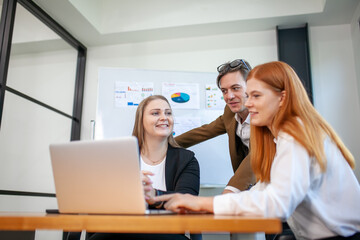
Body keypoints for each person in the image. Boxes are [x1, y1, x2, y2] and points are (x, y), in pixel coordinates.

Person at [154, 61, 360, 239]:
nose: (247, 103)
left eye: (256, 96)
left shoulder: (295, 134)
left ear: (282, 98)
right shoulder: (283, 134)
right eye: (247, 95)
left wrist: (204, 203)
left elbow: (276, 203)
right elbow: (264, 189)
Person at [84, 95, 200, 240]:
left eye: (168, 113)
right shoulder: (119, 157)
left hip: (166, 233)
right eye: (155, 113)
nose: (164, 117)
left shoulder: (186, 159)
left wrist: (154, 196)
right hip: (121, 228)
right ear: (141, 120)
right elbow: (101, 201)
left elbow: (187, 202)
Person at [175, 59, 255, 193]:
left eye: (236, 88)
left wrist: (231, 190)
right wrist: (164, 145)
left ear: (251, 87)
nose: (229, 96)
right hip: (252, 187)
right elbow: (204, 132)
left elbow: (257, 156)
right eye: (224, 91)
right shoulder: (230, 112)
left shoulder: (265, 115)